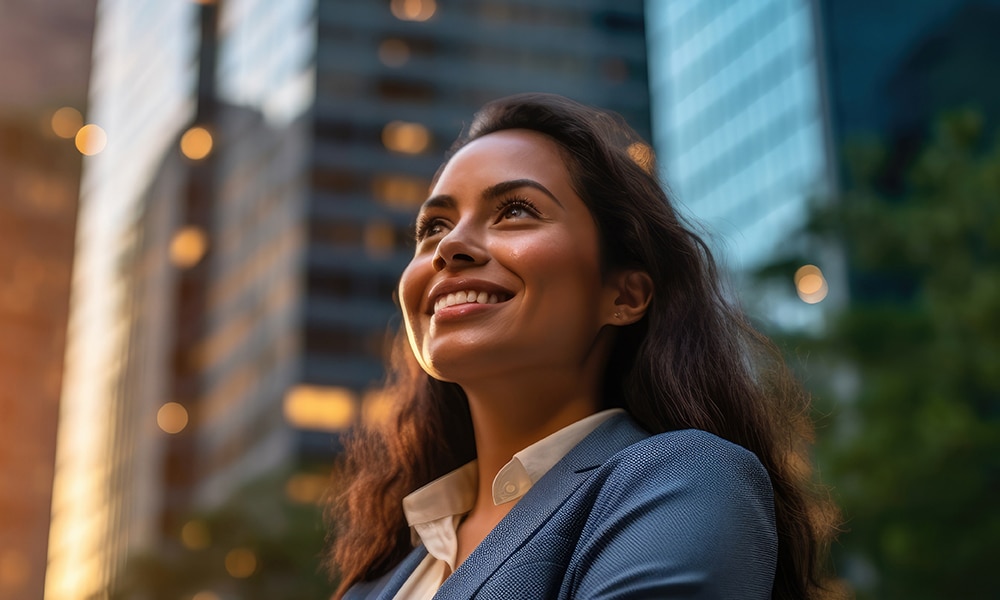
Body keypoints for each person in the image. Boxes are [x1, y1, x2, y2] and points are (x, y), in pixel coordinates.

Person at [328, 93, 836, 599]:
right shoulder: (377, 581)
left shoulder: (684, 479)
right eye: (434, 226)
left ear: (623, 294)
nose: (449, 247)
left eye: (516, 211)